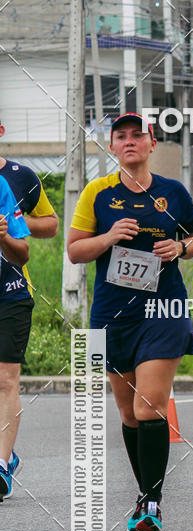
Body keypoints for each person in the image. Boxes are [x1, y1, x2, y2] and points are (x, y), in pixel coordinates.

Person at [67, 112, 193, 531]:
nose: (129, 142)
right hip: (113, 313)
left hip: (163, 310)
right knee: (129, 413)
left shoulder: (173, 192)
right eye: (121, 136)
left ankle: (152, 503)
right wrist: (108, 237)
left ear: (151, 144)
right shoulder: (97, 192)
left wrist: (181, 248)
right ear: (112, 146)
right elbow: (75, 251)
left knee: (149, 407)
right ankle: (145, 496)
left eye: (137, 135)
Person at [0, 117, 59, 492]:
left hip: (11, 289)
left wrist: (14, 223)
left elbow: (51, 224)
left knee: (5, 379)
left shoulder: (20, 177)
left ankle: (2, 463)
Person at [0, 177, 31, 498]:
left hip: (9, 296)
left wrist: (4, 237)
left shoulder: (0, 186)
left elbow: (22, 255)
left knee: (6, 380)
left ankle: (1, 463)